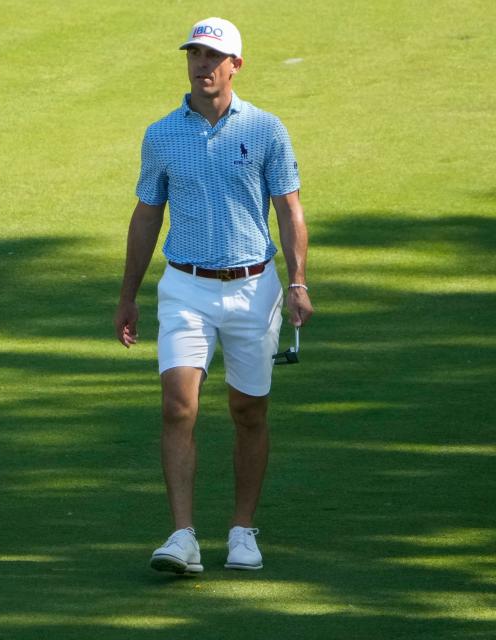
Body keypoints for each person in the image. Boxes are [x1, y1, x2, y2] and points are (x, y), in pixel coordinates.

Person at [113, 17, 313, 574]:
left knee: (248, 411)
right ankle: (182, 536)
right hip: (184, 287)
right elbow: (147, 215)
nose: (201, 64)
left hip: (254, 288)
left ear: (235, 65)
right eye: (194, 54)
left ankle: (243, 529)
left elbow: (289, 209)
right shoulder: (161, 134)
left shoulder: (268, 129)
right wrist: (128, 296)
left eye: (211, 56)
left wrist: (297, 281)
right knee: (178, 407)